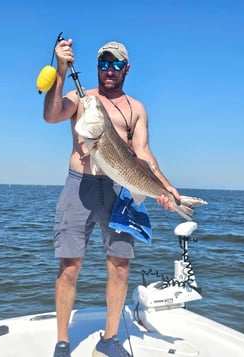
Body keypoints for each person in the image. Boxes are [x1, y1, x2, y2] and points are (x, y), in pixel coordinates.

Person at [43, 38, 180, 357]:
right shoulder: (83, 99)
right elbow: (51, 115)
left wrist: (165, 187)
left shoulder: (136, 108)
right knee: (69, 266)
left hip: (120, 189)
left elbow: (143, 153)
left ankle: (110, 339)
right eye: (104, 63)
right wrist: (61, 70)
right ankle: (63, 341)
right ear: (96, 67)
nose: (109, 70)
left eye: (116, 64)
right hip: (80, 186)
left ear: (126, 69)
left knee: (120, 265)